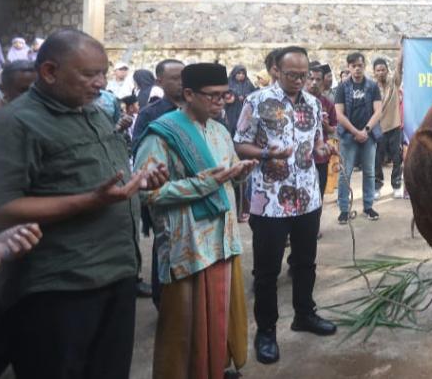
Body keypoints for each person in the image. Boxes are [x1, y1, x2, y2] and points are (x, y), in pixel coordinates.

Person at [0, 29, 169, 378]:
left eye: (103, 72)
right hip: (61, 287)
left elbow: (104, 176)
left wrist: (141, 180)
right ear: (49, 72)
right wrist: (89, 201)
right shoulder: (13, 124)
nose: (101, 83)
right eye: (89, 74)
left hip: (117, 273)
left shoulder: (94, 112)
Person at [135, 63, 255, 378]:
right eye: (212, 96)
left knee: (219, 316)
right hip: (188, 245)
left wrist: (239, 174)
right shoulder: (161, 133)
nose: (221, 102)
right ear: (188, 94)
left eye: (224, 95)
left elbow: (227, 173)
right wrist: (205, 183)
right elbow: (148, 193)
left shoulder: (220, 131)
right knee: (186, 327)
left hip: (222, 239)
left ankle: (216, 369)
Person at [234, 46, 336, 365]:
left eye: (305, 75)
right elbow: (240, 144)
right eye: (292, 75)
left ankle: (304, 314)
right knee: (267, 271)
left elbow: (316, 143)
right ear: (276, 71)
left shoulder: (314, 104)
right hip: (270, 201)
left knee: (305, 263)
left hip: (307, 197)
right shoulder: (257, 101)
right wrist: (267, 154)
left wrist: (325, 149)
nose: (300, 80)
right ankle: (266, 331)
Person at [334, 52, 384, 223]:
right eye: (353, 66)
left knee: (369, 172)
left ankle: (368, 207)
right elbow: (339, 114)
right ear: (348, 67)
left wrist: (366, 130)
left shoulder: (372, 86)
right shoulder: (342, 88)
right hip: (348, 137)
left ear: (364, 66)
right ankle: (344, 209)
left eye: (360, 65)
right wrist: (356, 132)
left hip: (368, 137)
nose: (357, 69)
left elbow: (378, 111)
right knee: (345, 174)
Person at [132, 59, 186, 149]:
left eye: (184, 78)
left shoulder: (198, 110)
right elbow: (138, 147)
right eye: (175, 78)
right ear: (159, 82)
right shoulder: (148, 114)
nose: (181, 82)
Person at [373, 56, 404, 200]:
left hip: (394, 127)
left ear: (387, 71)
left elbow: (399, 65)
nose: (381, 73)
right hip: (378, 128)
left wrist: (402, 48)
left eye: (383, 70)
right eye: (378, 70)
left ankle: (396, 186)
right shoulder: (371, 88)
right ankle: (376, 187)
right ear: (374, 72)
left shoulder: (394, 83)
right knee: (377, 160)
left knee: (397, 158)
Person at [306, 65, 337, 197]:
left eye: (318, 79)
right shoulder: (297, 101)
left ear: (323, 82)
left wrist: (327, 127)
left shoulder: (327, 103)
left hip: (321, 157)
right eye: (311, 78)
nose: (314, 82)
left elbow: (335, 127)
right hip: (302, 157)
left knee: (319, 195)